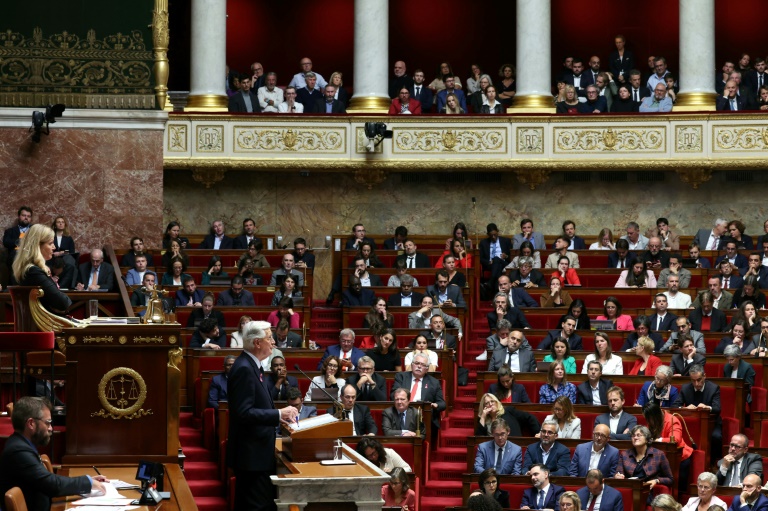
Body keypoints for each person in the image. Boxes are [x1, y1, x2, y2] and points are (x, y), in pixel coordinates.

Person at [227, 320, 298, 511]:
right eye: (269, 338)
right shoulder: (243, 368)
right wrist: (277, 413)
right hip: (252, 456)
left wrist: (278, 416)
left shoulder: (253, 365)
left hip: (257, 453)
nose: (273, 342)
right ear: (257, 343)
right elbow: (243, 413)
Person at [0, 396, 108, 509]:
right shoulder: (19, 451)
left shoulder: (20, 444)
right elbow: (52, 484)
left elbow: (48, 480)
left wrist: (88, 480)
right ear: (31, 423)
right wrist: (87, 483)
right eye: (48, 423)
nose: (50, 428)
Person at [11, 224, 71, 314]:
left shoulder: (30, 269)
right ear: (37, 246)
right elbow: (63, 302)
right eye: (50, 243)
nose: (54, 247)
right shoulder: (33, 271)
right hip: (45, 326)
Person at [392, 352, 446, 435]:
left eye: (423, 365)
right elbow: (393, 394)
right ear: (412, 365)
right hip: (401, 410)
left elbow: (442, 404)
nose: (419, 366)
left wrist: (435, 405)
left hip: (423, 416)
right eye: (417, 363)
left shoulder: (434, 382)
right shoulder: (401, 377)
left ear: (427, 369)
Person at [644, 402, 693, 494]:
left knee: (679, 486)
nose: (650, 422)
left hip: (680, 457)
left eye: (651, 419)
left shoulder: (672, 420)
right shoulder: (651, 421)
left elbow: (676, 440)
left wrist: (660, 440)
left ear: (657, 415)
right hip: (661, 458)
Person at [614, 425, 673, 491]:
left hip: (649, 490)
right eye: (633, 436)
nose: (635, 438)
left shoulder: (658, 454)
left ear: (647, 439)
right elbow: (618, 473)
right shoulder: (624, 454)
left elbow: (670, 479)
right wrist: (618, 476)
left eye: (639, 435)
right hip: (631, 489)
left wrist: (656, 480)